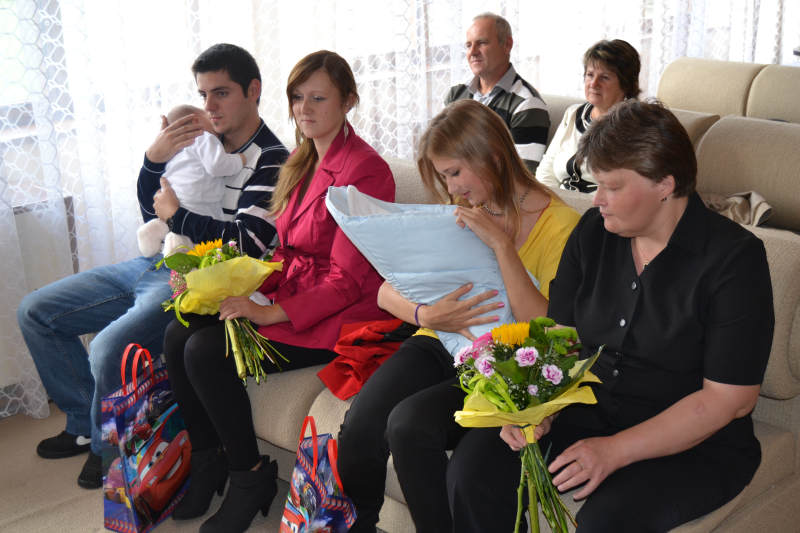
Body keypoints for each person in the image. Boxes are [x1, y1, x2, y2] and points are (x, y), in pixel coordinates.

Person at [475, 100, 774, 532]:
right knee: (477, 466)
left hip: (693, 442)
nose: (597, 199)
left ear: (665, 184)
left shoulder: (734, 260)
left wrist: (614, 450)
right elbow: (560, 337)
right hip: (588, 411)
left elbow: (729, 399)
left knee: (605, 521)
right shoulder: (593, 232)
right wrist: (540, 408)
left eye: (611, 187)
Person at [16, 43, 288, 489]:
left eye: (221, 93)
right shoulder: (199, 137)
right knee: (36, 311)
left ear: (253, 90)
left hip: (193, 278)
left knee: (107, 348)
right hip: (155, 260)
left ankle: (107, 450)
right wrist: (153, 160)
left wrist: (177, 216)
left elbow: (247, 245)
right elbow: (153, 210)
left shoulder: (272, 160)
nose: (209, 106)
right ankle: (85, 423)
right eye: (203, 95)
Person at [162, 50, 395, 533]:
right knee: (178, 331)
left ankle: (249, 477)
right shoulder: (301, 160)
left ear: (348, 101)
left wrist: (270, 313)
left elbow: (347, 280)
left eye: (318, 98)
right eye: (297, 97)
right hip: (291, 291)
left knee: (206, 350)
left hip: (339, 317)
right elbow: (282, 252)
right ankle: (207, 460)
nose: (304, 109)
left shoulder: (366, 171)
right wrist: (215, 279)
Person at [337, 98, 580, 532]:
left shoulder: (561, 226)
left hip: (504, 360)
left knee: (408, 426)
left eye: (454, 173)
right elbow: (385, 290)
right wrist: (426, 314)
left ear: (493, 156)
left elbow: (548, 330)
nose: (450, 189)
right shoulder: (462, 210)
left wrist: (502, 246)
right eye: (444, 177)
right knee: (359, 428)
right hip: (440, 338)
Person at [136, 104, 253, 257]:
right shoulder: (204, 137)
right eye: (208, 116)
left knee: (165, 225)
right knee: (187, 236)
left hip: (172, 197)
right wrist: (239, 160)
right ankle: (174, 245)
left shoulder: (174, 150)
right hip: (197, 203)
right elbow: (217, 165)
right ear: (196, 121)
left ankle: (150, 233)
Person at [445, 12, 550, 173]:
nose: (473, 52)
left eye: (482, 43)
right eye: (468, 45)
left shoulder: (528, 105)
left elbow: (522, 175)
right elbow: (440, 154)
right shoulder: (455, 95)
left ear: (507, 45)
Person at [536, 39, 640, 192]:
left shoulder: (636, 126)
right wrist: (553, 201)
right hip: (558, 201)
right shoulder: (573, 114)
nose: (593, 83)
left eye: (604, 77)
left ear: (626, 84)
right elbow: (546, 170)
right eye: (590, 75)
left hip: (597, 205)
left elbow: (623, 190)